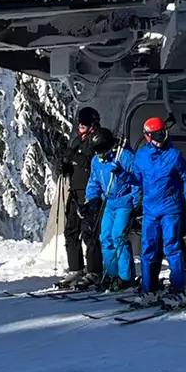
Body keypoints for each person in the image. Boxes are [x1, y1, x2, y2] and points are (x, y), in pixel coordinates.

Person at [131, 117, 186, 305]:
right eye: (156, 135)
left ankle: (179, 289)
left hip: (171, 208)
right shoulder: (141, 156)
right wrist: (124, 179)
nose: (160, 139)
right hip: (150, 210)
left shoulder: (174, 155)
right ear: (147, 136)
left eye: (163, 134)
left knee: (172, 247)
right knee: (148, 249)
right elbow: (138, 181)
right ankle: (149, 289)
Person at [59, 107, 106, 291]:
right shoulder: (77, 141)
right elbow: (69, 157)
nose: (80, 126)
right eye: (79, 123)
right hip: (75, 192)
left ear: (93, 125)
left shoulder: (97, 141)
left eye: (84, 124)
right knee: (71, 231)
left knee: (90, 233)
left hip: (90, 194)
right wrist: (64, 166)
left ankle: (94, 270)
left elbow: (90, 162)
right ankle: (76, 268)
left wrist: (75, 160)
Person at [86, 127, 136, 292]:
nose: (99, 156)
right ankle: (111, 273)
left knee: (118, 236)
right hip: (108, 202)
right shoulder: (96, 161)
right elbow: (94, 181)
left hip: (124, 201)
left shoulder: (125, 157)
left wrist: (136, 204)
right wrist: (92, 198)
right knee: (105, 237)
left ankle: (125, 277)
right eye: (97, 153)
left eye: (101, 152)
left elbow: (137, 180)